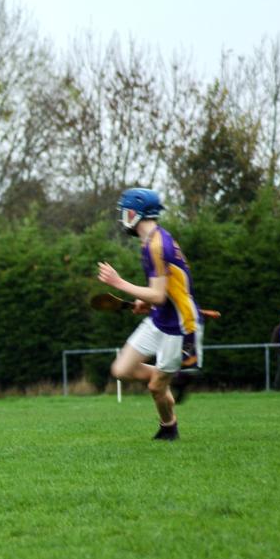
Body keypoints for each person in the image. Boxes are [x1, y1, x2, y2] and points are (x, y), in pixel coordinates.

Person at [98, 188, 203, 441]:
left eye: (126, 211)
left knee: (156, 387)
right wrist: (144, 301)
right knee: (121, 369)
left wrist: (118, 283)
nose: (123, 216)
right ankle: (174, 375)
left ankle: (169, 427)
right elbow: (164, 292)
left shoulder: (157, 245)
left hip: (179, 325)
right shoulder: (149, 242)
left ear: (136, 214)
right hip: (160, 318)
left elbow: (158, 295)